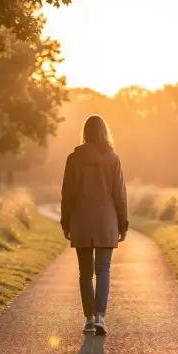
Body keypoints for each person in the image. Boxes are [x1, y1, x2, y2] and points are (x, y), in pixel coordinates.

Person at [60, 114, 128, 336]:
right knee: (103, 270)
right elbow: (119, 194)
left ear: (85, 133)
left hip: (81, 219)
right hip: (106, 220)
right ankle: (100, 317)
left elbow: (67, 194)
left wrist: (65, 221)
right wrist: (123, 223)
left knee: (85, 272)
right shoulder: (113, 158)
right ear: (104, 132)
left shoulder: (73, 158)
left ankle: (89, 319)